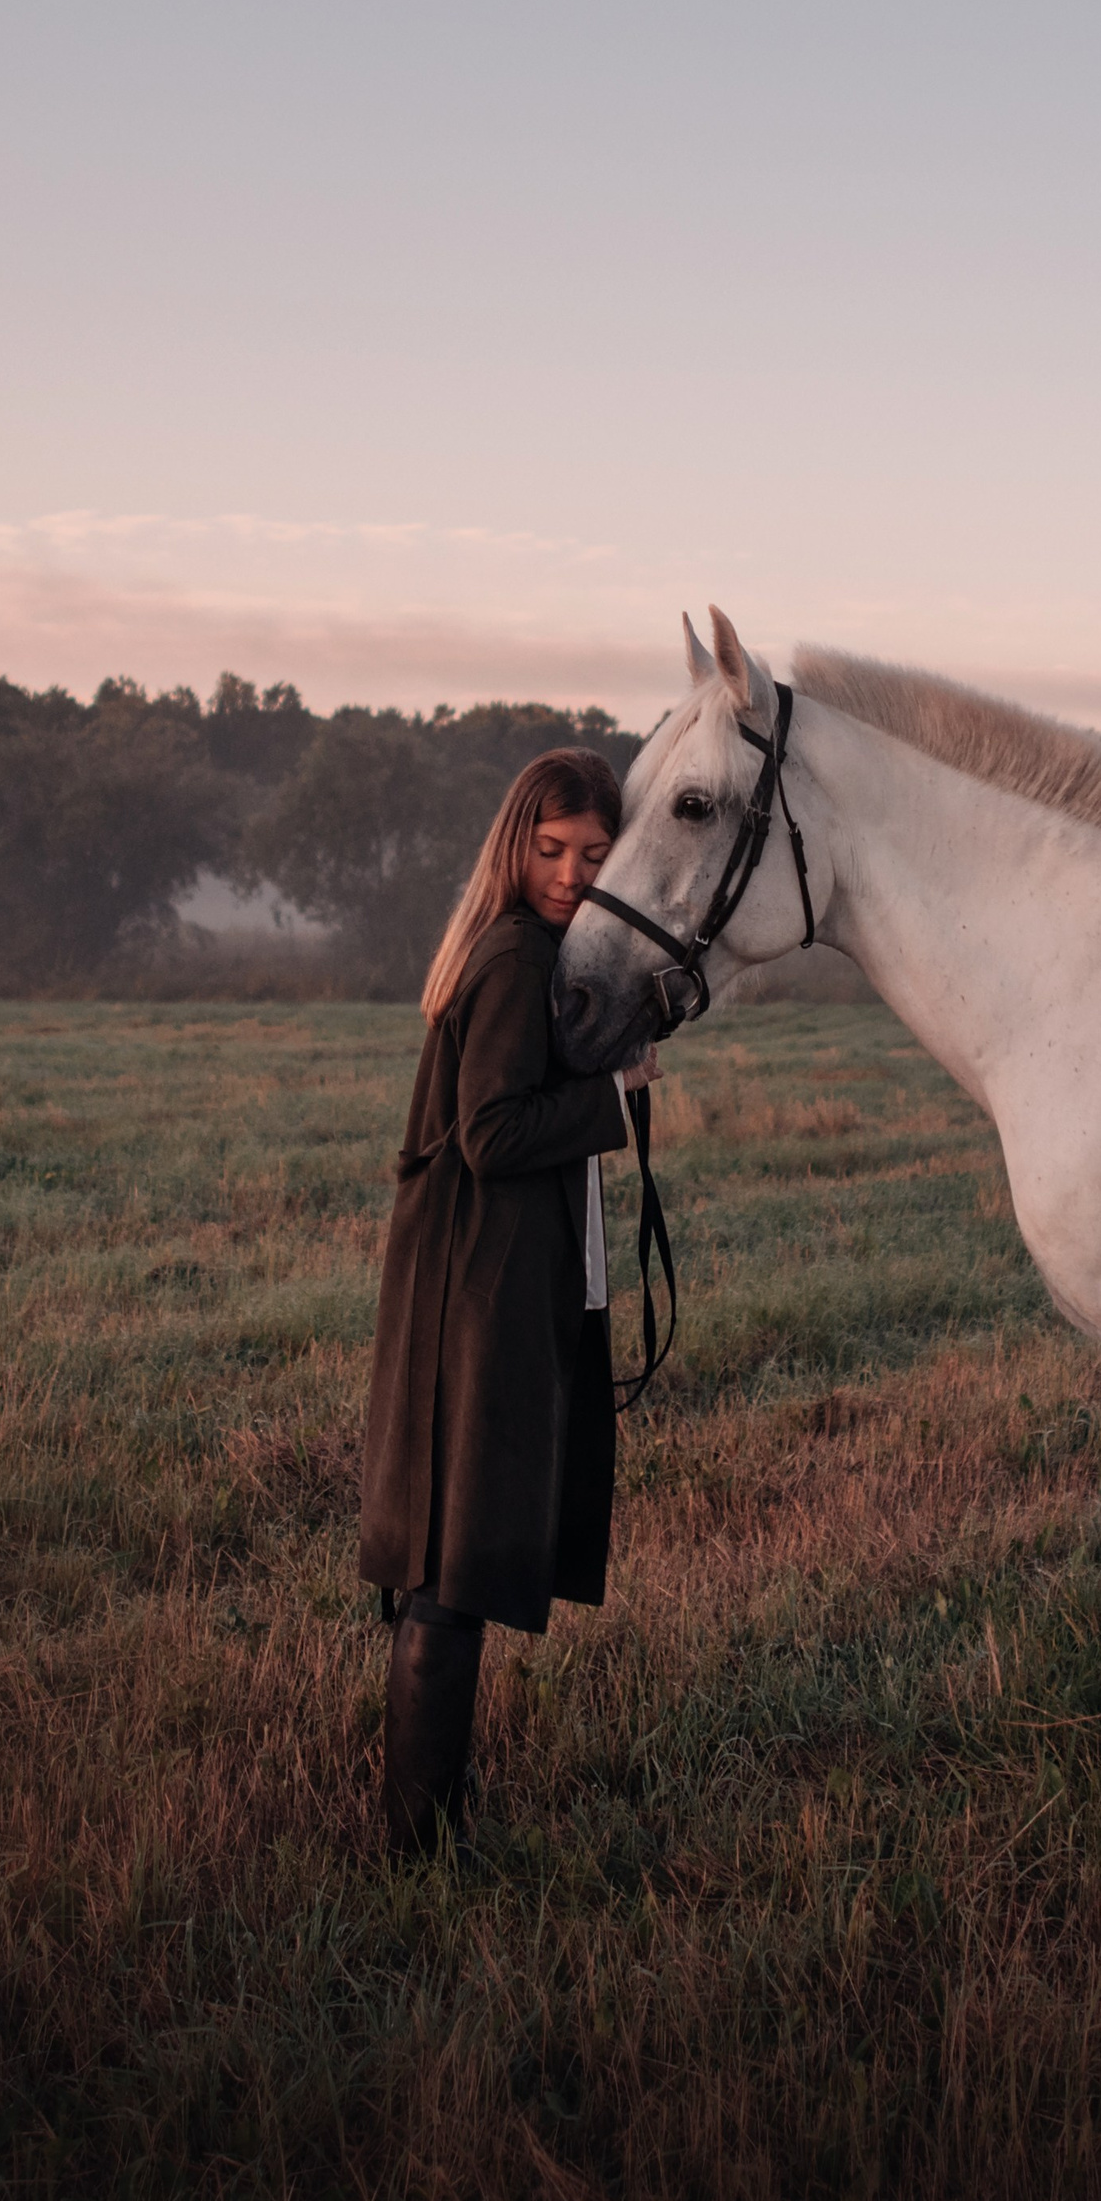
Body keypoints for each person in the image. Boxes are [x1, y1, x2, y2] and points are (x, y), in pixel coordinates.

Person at [358, 747, 660, 1857]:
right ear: (515, 844)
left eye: (592, 852)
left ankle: (425, 1830)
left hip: (481, 1281)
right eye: (551, 849)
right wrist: (612, 1094)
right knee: (452, 1567)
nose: (572, 871)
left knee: (456, 1557)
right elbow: (491, 1135)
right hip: (473, 1296)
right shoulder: (512, 953)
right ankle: (417, 1852)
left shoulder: (541, 949)